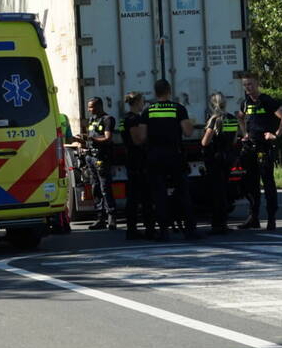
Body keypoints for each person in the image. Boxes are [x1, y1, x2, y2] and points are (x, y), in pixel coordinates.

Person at [141, 79, 200, 241]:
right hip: (175, 156)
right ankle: (190, 231)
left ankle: (163, 232)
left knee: (159, 195)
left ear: (155, 92)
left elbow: (141, 137)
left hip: (155, 157)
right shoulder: (178, 109)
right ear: (169, 91)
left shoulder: (148, 110)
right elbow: (188, 132)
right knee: (183, 193)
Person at [237, 73, 282, 230]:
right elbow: (240, 117)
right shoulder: (245, 103)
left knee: (268, 183)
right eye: (245, 85)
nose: (248, 88)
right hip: (250, 148)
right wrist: (245, 133)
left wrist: (275, 134)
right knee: (250, 184)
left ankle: (271, 218)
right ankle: (253, 218)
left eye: (250, 84)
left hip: (264, 148)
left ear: (257, 84)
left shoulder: (267, 101)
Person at [75, 97, 117, 230]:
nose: (89, 109)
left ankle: (111, 218)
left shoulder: (107, 119)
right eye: (88, 106)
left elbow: (107, 138)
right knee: (96, 188)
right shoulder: (92, 120)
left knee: (105, 188)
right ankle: (100, 218)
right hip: (90, 157)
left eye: (91, 107)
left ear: (99, 106)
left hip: (101, 157)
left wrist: (91, 138)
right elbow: (90, 139)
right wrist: (81, 141)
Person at [201, 92, 240, 234]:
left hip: (216, 159)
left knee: (216, 192)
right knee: (223, 190)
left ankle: (217, 224)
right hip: (228, 158)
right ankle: (223, 223)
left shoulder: (215, 120)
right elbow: (235, 140)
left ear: (212, 105)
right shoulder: (232, 119)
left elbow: (205, 142)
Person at [119, 92, 153, 240]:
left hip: (131, 159)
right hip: (137, 160)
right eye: (142, 102)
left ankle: (133, 228)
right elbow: (137, 140)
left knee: (134, 196)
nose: (143, 104)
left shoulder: (125, 118)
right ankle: (142, 229)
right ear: (137, 102)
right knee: (142, 196)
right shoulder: (134, 119)